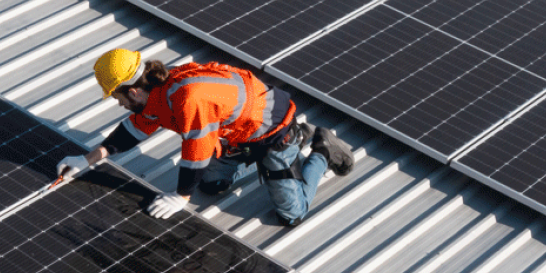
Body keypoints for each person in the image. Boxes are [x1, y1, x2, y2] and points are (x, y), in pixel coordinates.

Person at [57, 49, 353, 226]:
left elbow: (196, 149)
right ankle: (265, 156)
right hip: (237, 136)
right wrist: (86, 160)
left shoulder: (187, 97)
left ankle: (321, 150)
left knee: (292, 215)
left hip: (272, 132)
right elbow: (133, 130)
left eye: (117, 98)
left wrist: (181, 196)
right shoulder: (157, 92)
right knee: (211, 185)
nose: (119, 104)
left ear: (133, 92)